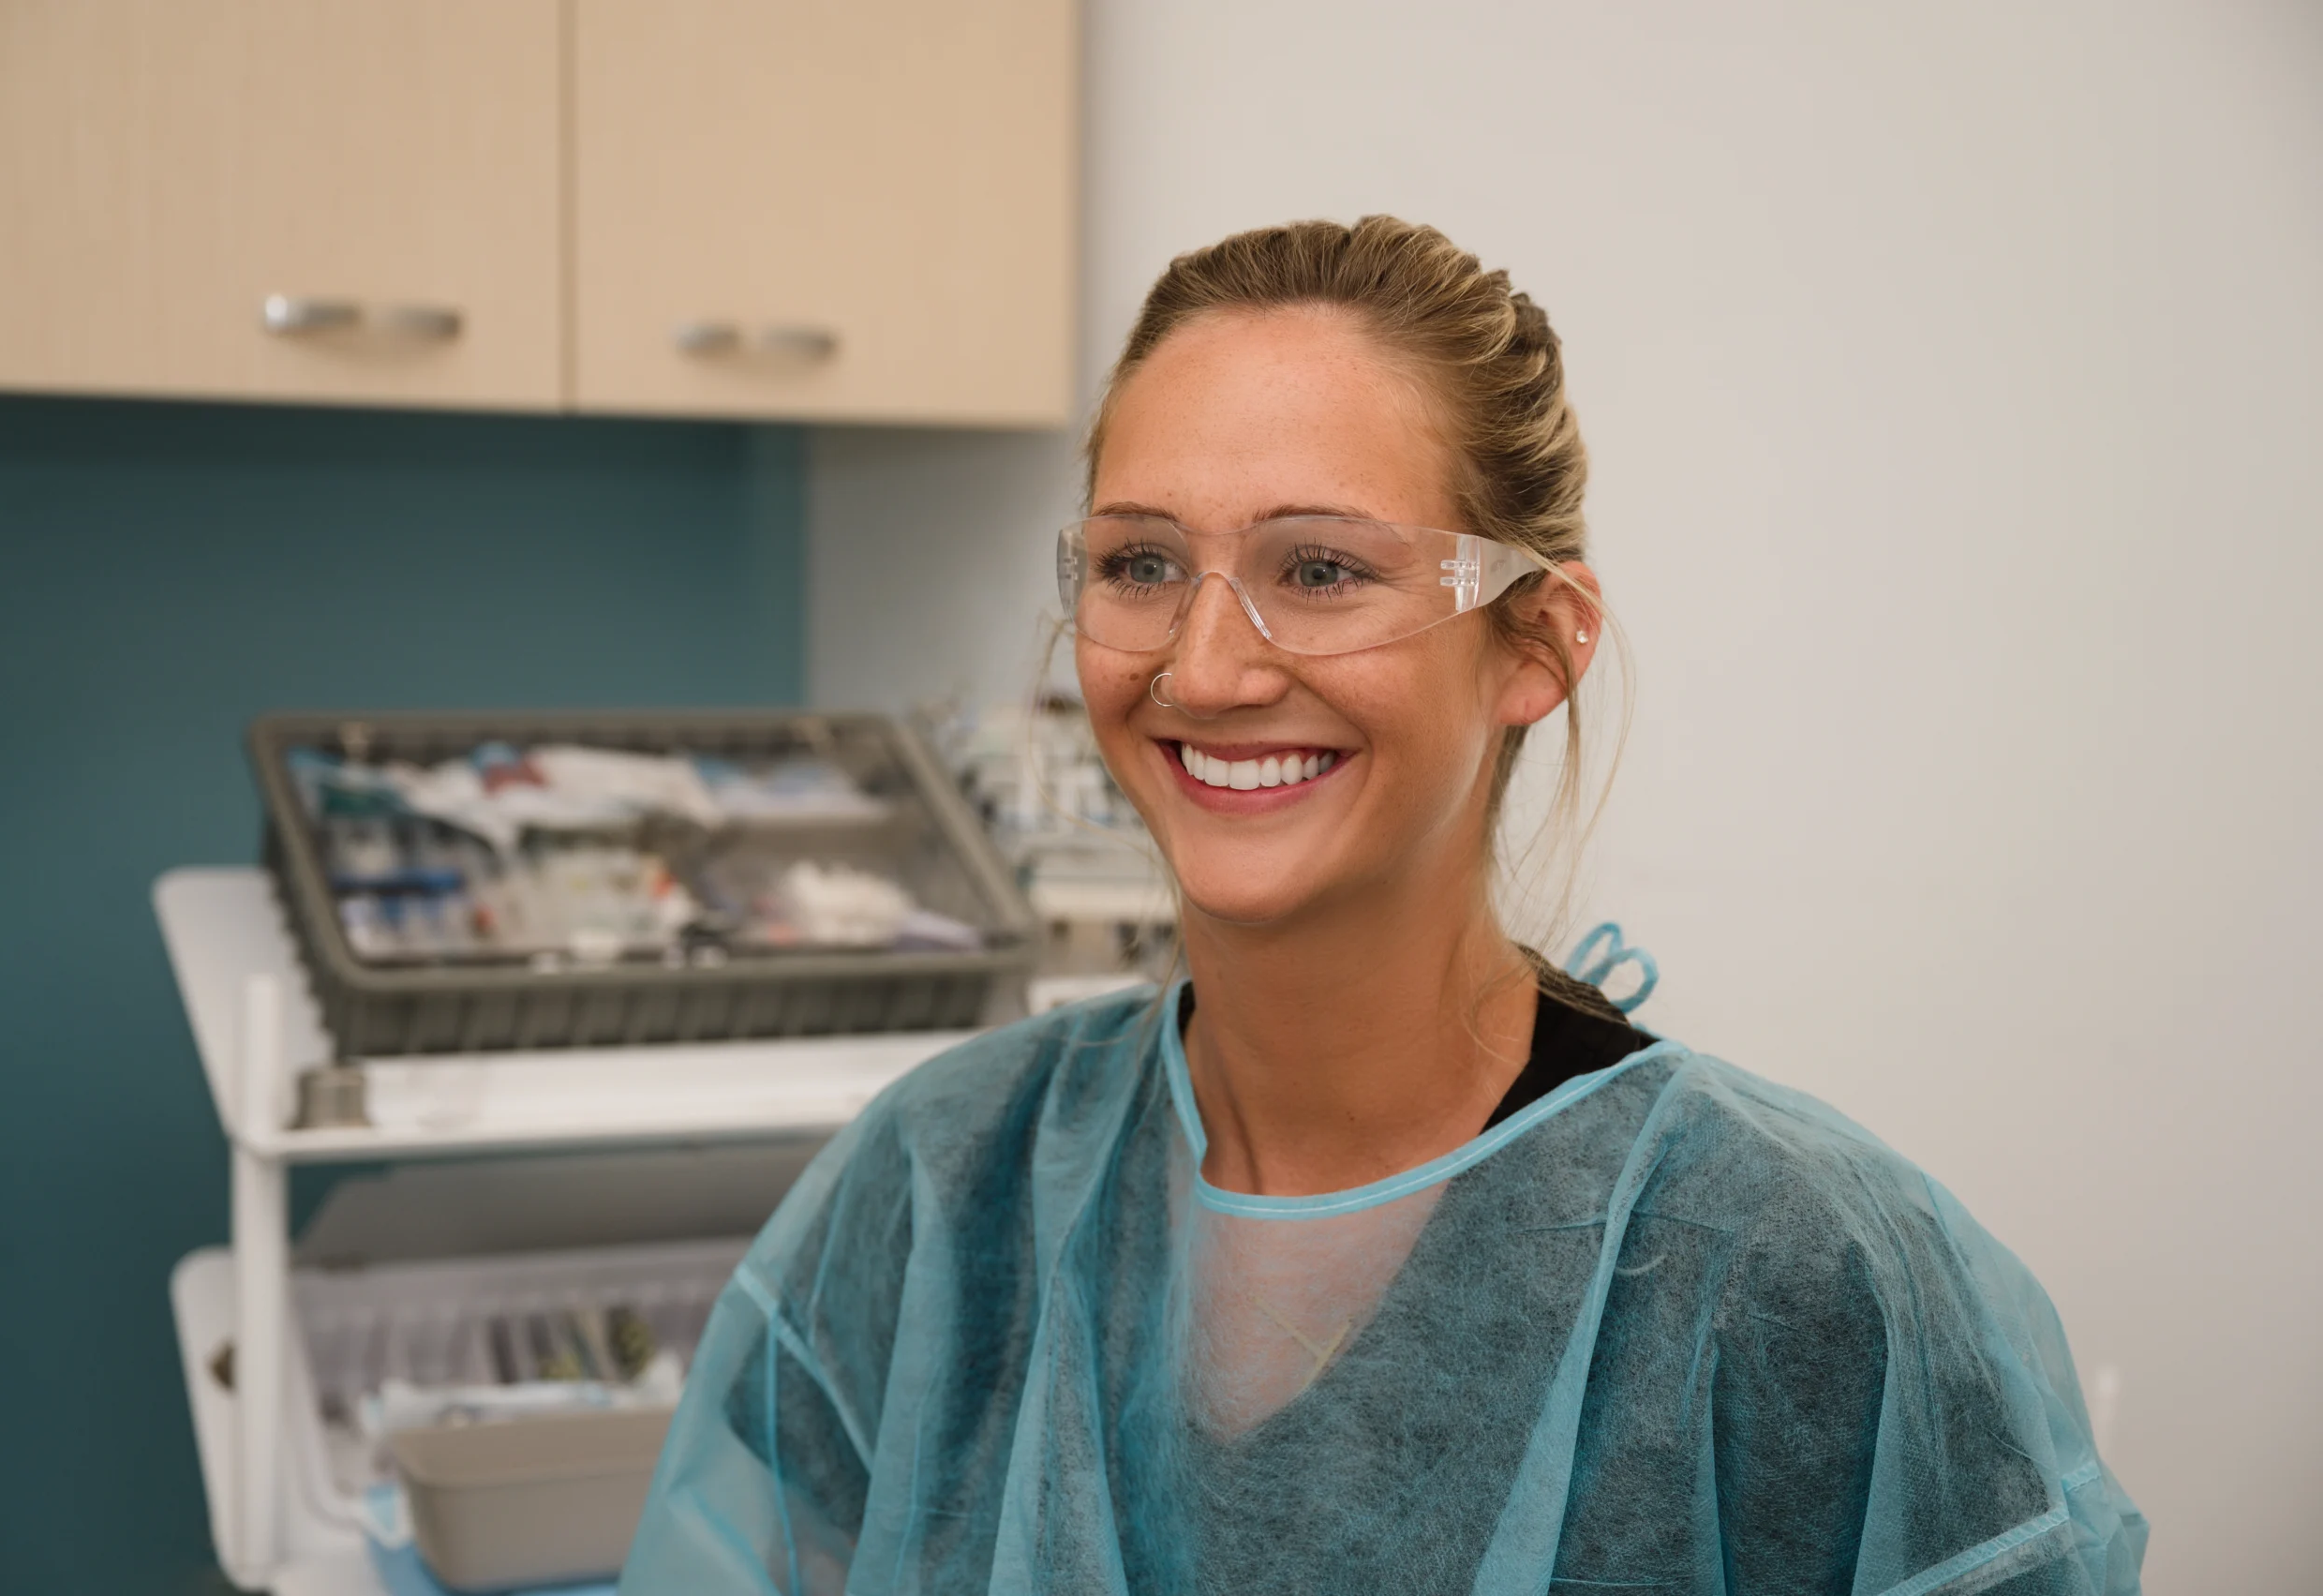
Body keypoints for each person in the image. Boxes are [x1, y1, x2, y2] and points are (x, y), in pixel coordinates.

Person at [618, 217, 2147, 1595]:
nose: (1205, 668)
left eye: (1324, 569)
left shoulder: (1793, 1275)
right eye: (1142, 561)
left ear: (1537, 642)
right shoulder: (949, 1192)